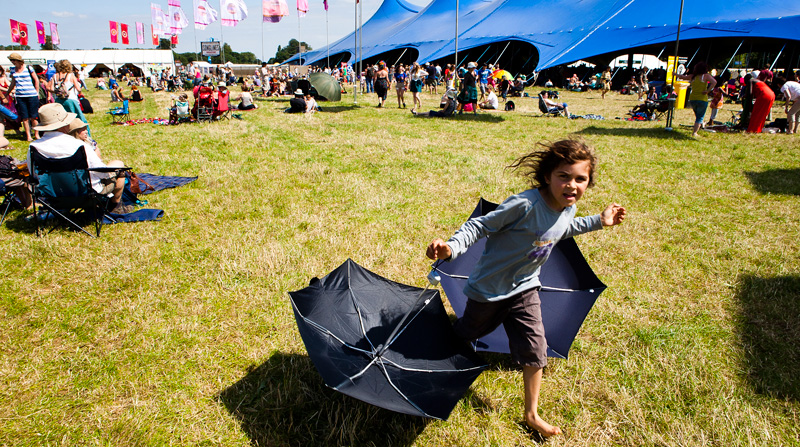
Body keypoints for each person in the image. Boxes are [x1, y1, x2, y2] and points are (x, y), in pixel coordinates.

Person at [425, 138, 626, 439]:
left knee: (536, 347)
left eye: (580, 179)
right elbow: (480, 226)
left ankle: (531, 414)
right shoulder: (524, 204)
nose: (572, 185)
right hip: (489, 290)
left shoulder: (568, 207)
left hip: (526, 287)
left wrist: (599, 221)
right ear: (547, 176)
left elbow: (562, 229)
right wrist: (451, 248)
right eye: (563, 176)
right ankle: (442, 340)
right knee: (468, 333)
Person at [28, 103, 128, 213]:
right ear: (64, 125)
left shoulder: (34, 148)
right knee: (118, 165)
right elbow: (102, 173)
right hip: (86, 195)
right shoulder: (78, 145)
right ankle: (115, 208)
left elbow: (34, 174)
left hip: (52, 196)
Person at [6, 53, 41, 142]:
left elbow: (36, 80)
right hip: (20, 96)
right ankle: (28, 136)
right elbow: (13, 83)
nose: (12, 62)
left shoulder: (28, 68)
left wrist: (37, 92)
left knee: (34, 117)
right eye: (11, 60)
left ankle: (36, 134)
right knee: (25, 118)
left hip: (32, 95)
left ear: (18, 60)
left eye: (13, 60)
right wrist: (7, 93)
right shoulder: (13, 70)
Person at [676, 62, 716, 137]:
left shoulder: (693, 76)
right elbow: (714, 82)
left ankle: (701, 125)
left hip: (692, 99)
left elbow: (682, 77)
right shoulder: (706, 76)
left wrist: (675, 74)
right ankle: (695, 132)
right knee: (699, 117)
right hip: (702, 99)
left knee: (698, 115)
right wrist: (708, 91)